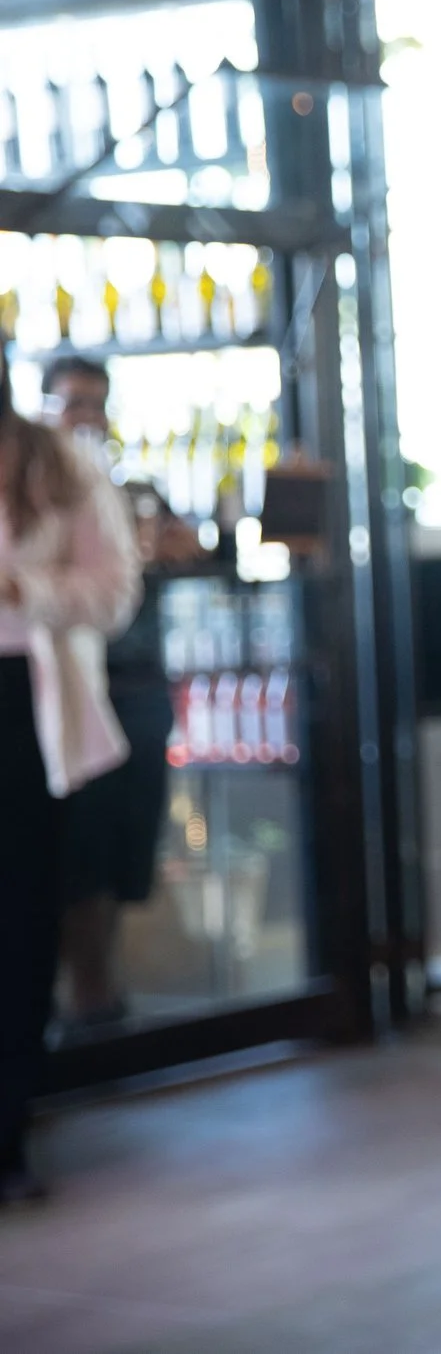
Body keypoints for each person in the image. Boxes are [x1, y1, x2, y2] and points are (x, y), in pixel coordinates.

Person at [0, 336, 139, 1203]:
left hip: (28, 709)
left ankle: (10, 1131)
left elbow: (116, 590)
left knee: (20, 926)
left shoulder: (60, 462)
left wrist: (27, 590)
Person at [43, 354, 197, 1033]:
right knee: (76, 849)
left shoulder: (137, 492)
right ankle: (83, 995)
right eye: (72, 401)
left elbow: (198, 552)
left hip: (138, 689)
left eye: (95, 403)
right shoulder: (41, 491)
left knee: (128, 841)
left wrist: (179, 549)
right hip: (69, 690)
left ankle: (99, 992)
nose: (86, 416)